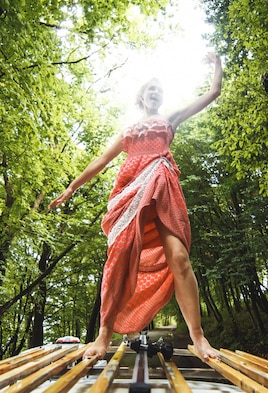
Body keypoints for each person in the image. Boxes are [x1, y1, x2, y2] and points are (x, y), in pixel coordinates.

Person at [49, 52, 223, 361]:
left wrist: (216, 66)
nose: (155, 93)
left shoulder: (169, 120)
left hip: (165, 188)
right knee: (118, 258)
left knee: (180, 259)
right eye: (150, 89)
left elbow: (212, 94)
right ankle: (104, 334)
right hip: (131, 192)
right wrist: (71, 187)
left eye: (160, 90)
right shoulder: (128, 132)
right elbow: (101, 161)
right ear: (141, 97)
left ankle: (198, 337)